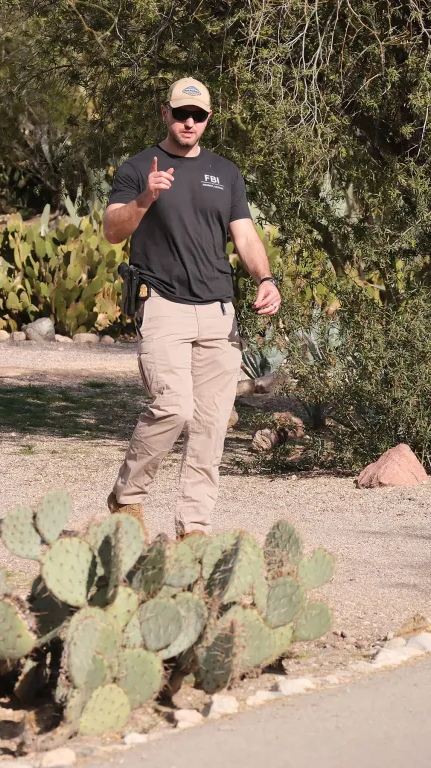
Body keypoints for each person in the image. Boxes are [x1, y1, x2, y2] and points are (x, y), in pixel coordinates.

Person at [103, 77, 281, 539]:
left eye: (197, 115)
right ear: (165, 114)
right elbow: (111, 231)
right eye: (181, 113)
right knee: (174, 407)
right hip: (163, 305)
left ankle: (193, 530)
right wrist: (146, 197)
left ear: (208, 119)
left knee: (211, 425)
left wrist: (265, 278)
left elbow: (244, 235)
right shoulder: (140, 167)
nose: (189, 122)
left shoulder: (225, 172)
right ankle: (127, 497)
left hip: (219, 312)